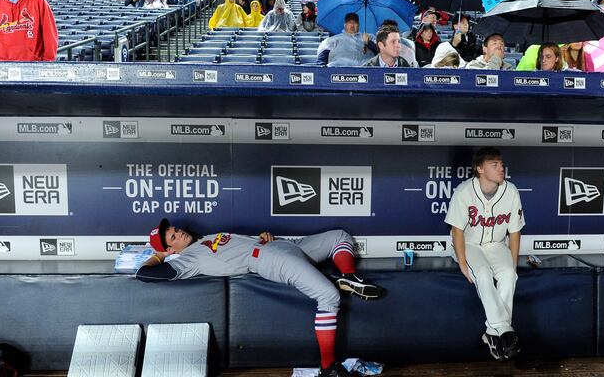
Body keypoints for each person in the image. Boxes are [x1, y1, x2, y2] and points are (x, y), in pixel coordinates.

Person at [137, 219, 384, 377]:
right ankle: (329, 368)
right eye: (172, 238)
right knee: (329, 296)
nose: (178, 233)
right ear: (169, 250)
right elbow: (145, 274)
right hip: (269, 261)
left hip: (282, 246)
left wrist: (263, 235)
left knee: (338, 236)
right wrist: (158, 255)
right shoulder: (187, 260)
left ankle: (351, 277)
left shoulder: (206, 238)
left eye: (175, 230)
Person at [445, 147, 524, 362]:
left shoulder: (511, 191)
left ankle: (493, 332)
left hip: (496, 244)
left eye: (501, 164)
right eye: (494, 165)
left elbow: (515, 232)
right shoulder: (464, 191)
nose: (501, 168)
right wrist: (462, 262)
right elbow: (457, 231)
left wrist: (512, 265)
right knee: (482, 272)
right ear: (479, 169)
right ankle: (505, 332)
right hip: (468, 244)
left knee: (508, 275)